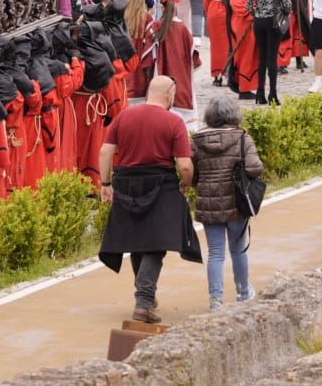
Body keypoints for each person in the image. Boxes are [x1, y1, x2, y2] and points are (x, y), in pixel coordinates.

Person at [97, 75, 197, 323]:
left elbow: (105, 151)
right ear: (170, 93)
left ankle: (147, 299)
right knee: (156, 243)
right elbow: (185, 165)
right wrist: (185, 185)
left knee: (138, 240)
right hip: (160, 183)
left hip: (127, 183)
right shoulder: (174, 121)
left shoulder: (124, 116)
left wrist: (105, 183)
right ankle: (143, 300)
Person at [190, 95, 263, 310]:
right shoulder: (242, 138)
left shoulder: (196, 140)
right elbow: (254, 167)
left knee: (215, 252)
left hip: (208, 202)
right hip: (236, 201)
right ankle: (243, 292)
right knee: (238, 249)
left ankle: (216, 299)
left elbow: (193, 172)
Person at [247, 0, 292, 106]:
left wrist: (258, 13)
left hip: (259, 22)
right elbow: (287, 3)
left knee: (262, 57)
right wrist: (285, 13)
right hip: (273, 21)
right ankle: (272, 93)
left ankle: (260, 92)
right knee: (272, 58)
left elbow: (249, 5)